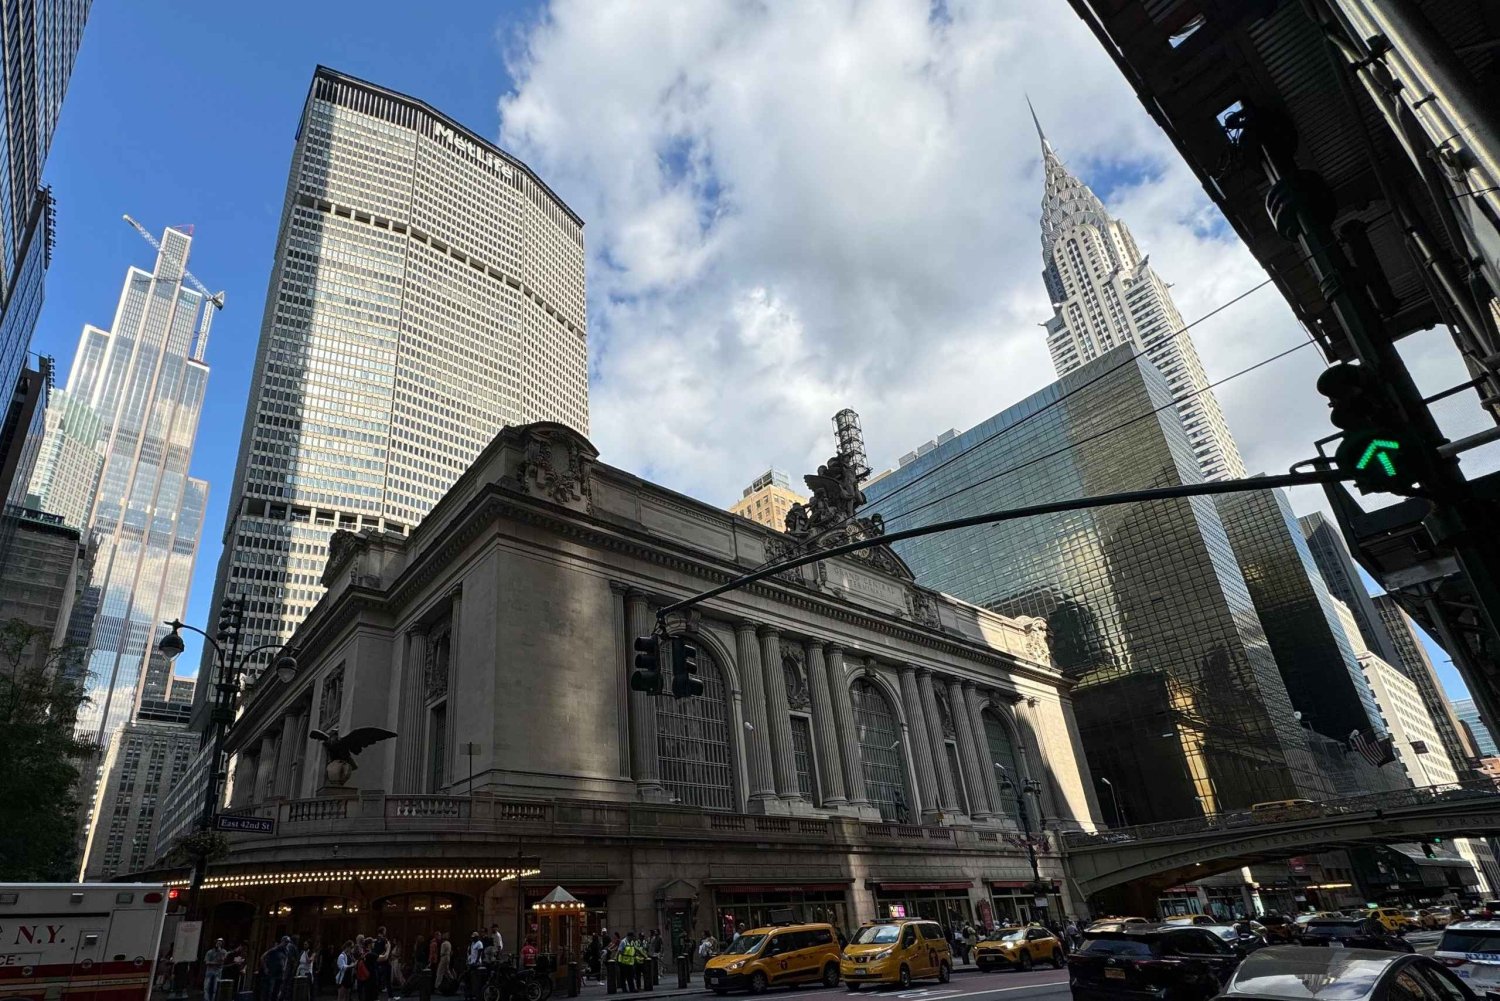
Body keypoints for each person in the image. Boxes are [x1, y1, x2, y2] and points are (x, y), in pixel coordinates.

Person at [465, 934, 484, 1001]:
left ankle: (476, 994)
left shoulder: (479, 943)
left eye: (474, 938)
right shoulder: (472, 944)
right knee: (469, 978)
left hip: (476, 963)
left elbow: (479, 953)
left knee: (475, 979)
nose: (472, 939)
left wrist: (476, 961)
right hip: (471, 962)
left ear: (477, 937)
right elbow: (470, 953)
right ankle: (470, 993)